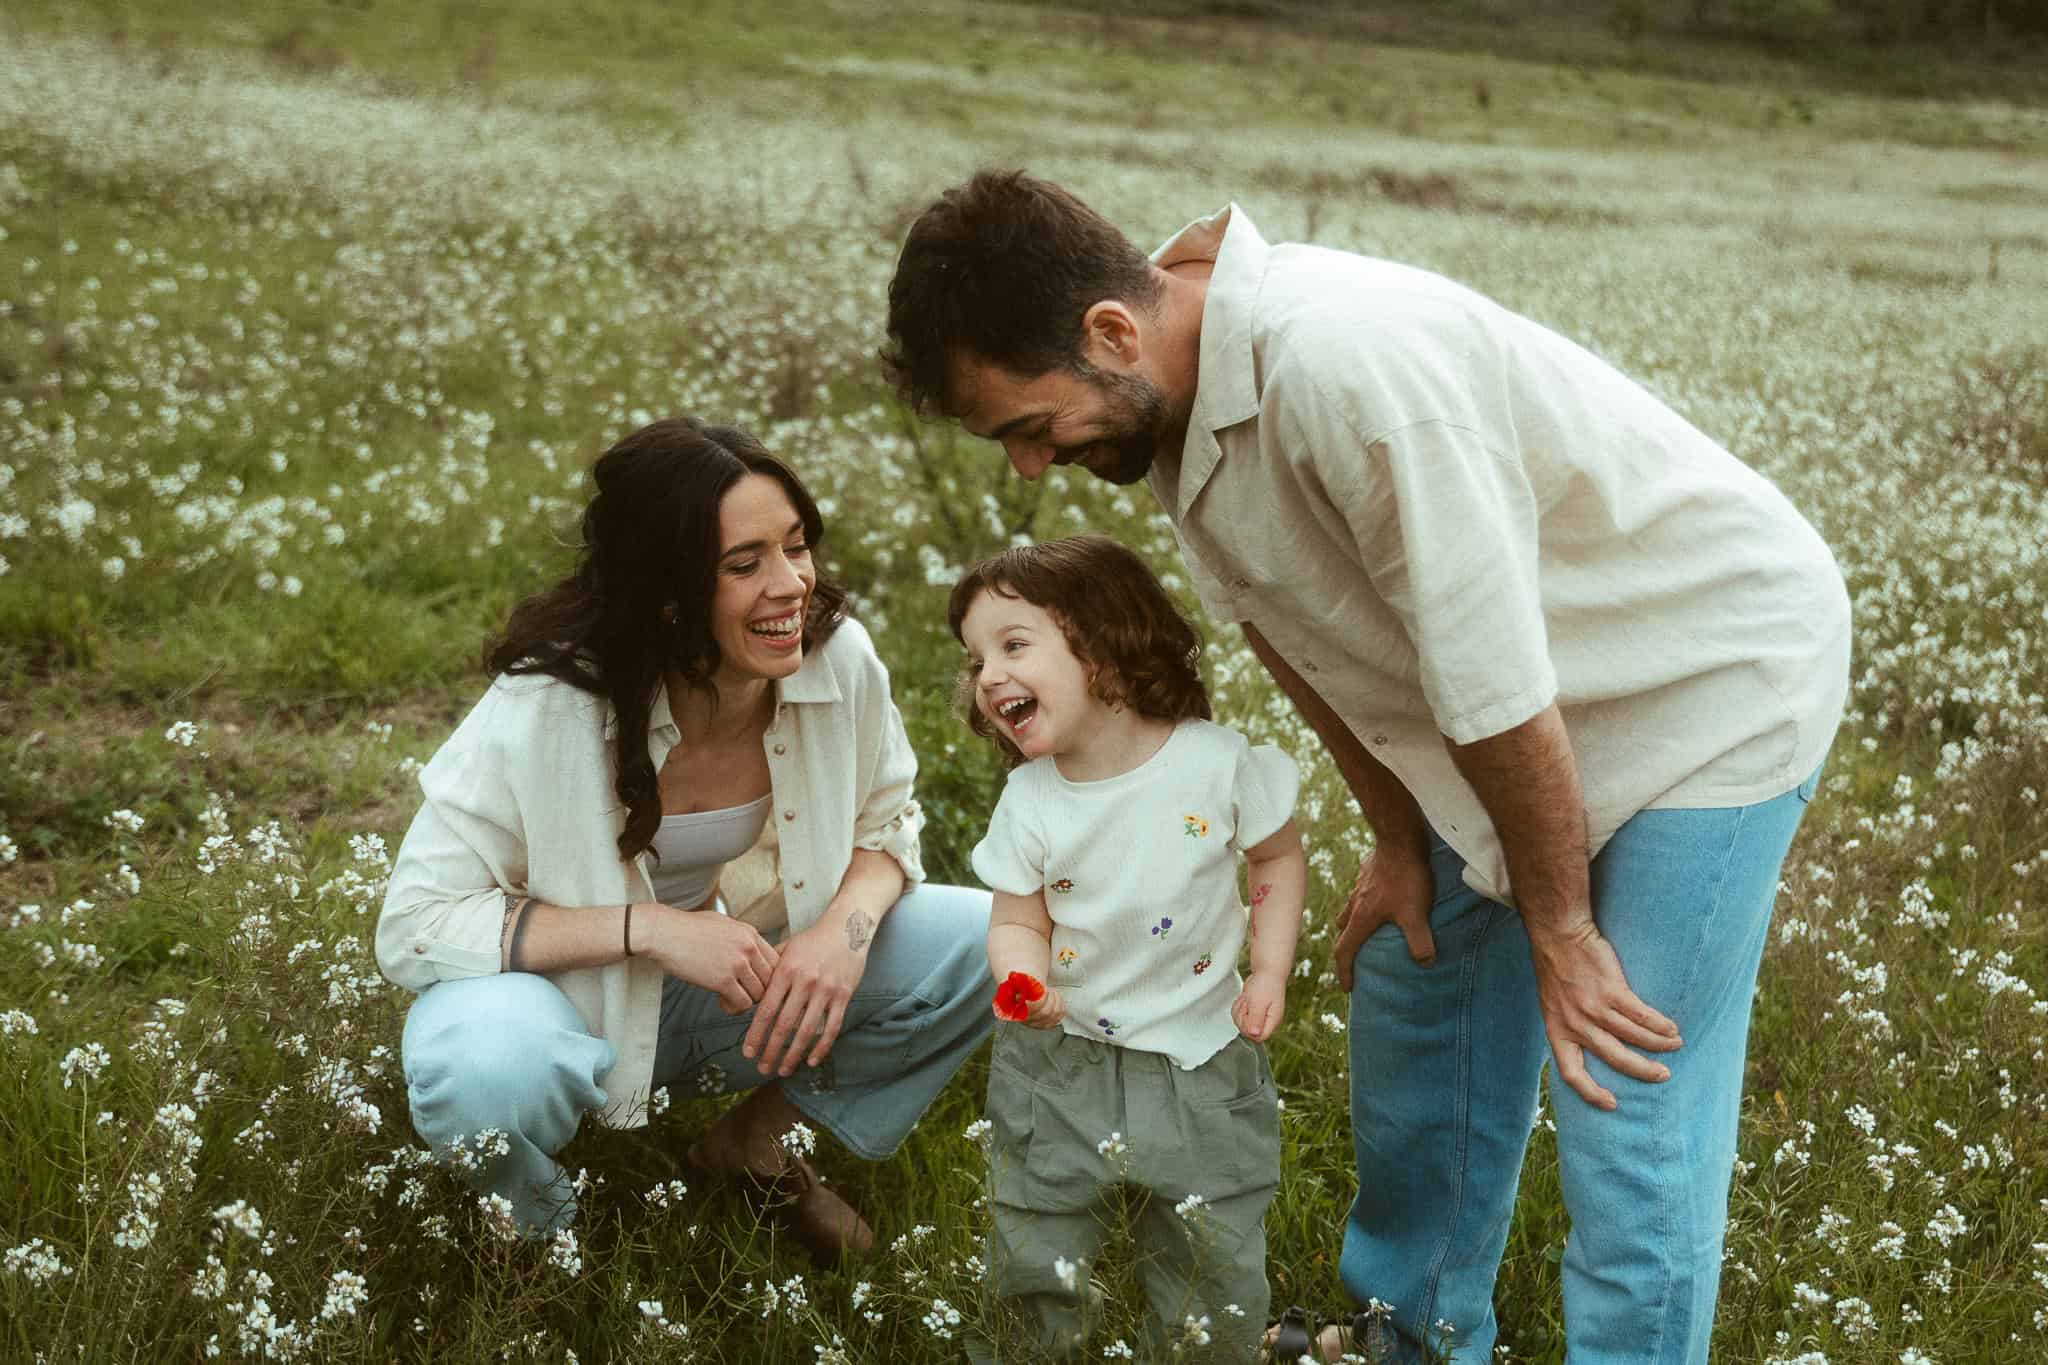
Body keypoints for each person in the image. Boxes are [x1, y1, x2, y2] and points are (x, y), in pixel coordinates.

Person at [884, 171, 1851, 1363]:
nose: (1030, 470)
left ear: (1109, 333)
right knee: (1414, 978)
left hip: (1703, 676)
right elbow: (1299, 638)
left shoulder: (1348, 367)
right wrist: (1399, 843)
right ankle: (1415, 1336)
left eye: (1029, 428)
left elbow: (1494, 682)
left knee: (1620, 1080)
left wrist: (1557, 921)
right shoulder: (1171, 401)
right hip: (1513, 698)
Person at [374, 415, 994, 1257]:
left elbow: (888, 821)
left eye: (796, 545)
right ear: (668, 592)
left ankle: (757, 1148)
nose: (792, 584)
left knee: (988, 944)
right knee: (480, 1069)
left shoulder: (834, 659)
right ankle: (542, 1241)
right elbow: (416, 924)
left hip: (719, 985)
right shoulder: (550, 700)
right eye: (746, 564)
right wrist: (655, 930)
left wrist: (841, 936)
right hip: (560, 997)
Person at [950, 536, 1306, 1362]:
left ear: (1105, 641)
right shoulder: (1031, 798)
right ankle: (1033, 1347)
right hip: (1061, 1059)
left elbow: (1277, 857)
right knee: (1034, 1234)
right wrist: (1021, 982)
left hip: (1199, 1056)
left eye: (1012, 645)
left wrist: (1271, 968)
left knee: (1211, 1248)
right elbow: (1017, 920)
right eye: (975, 660)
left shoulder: (1218, 764)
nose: (988, 676)